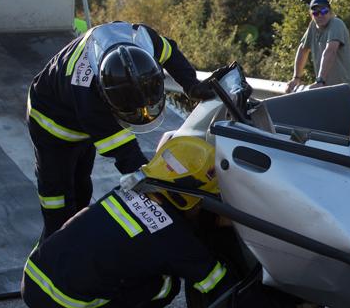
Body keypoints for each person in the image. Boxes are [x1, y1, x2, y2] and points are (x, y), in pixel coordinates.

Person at [21, 136, 292, 308]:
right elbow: (225, 289)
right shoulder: (176, 241)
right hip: (64, 306)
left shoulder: (127, 191)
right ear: (188, 197)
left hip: (33, 278)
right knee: (164, 284)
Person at [26, 22, 213, 242]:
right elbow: (126, 155)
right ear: (105, 96)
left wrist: (191, 85)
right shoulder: (87, 94)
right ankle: (46, 255)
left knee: (82, 188)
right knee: (58, 203)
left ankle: (76, 241)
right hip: (50, 125)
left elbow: (170, 52)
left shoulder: (143, 41)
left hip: (78, 120)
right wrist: (154, 183)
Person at [285, 0, 350, 92]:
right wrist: (296, 78)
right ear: (311, 15)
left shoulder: (336, 23)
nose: (320, 15)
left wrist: (320, 80)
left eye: (323, 11)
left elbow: (330, 51)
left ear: (330, 12)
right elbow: (303, 49)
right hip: (330, 90)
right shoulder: (313, 26)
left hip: (349, 89)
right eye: (316, 13)